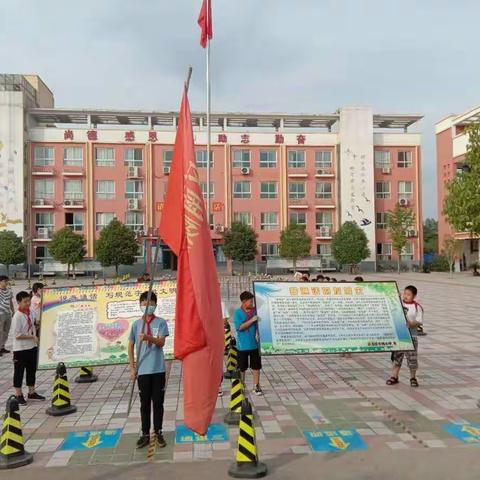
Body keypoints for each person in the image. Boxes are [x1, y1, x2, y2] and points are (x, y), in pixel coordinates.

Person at [128, 291, 169, 449]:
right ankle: (145, 434)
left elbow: (161, 343)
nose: (147, 306)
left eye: (150, 303)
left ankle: (158, 432)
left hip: (158, 369)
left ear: (155, 305)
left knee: (158, 403)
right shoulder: (136, 325)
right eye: (144, 303)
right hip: (143, 370)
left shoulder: (161, 323)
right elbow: (131, 346)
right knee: (144, 403)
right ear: (140, 305)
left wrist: (148, 338)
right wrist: (132, 368)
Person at [12, 291, 45, 405]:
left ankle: (31, 392)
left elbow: (35, 324)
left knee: (31, 370)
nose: (27, 303)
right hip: (20, 350)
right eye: (25, 302)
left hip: (32, 347)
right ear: (18, 302)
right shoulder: (17, 316)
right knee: (19, 372)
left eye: (28, 301)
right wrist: (32, 336)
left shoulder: (30, 313)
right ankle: (18, 395)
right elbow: (17, 335)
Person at [387, 285, 423, 388]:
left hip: (412, 336)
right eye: (405, 293)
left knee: (412, 358)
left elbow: (419, 321)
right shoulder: (399, 303)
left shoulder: (417, 307)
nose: (406, 296)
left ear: (414, 296)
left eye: (408, 294)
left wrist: (411, 324)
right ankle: (394, 376)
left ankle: (413, 378)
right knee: (397, 357)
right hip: (399, 336)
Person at [233, 291, 263, 396]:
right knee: (242, 368)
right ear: (244, 302)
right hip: (242, 346)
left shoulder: (256, 311)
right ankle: (241, 387)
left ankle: (256, 386)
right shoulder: (237, 313)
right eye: (250, 301)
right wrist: (252, 320)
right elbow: (239, 327)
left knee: (256, 367)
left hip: (255, 345)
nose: (252, 303)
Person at [0, 275, 14, 356]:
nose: (6, 282)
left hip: (8, 313)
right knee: (0, 331)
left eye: (7, 281)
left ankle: (2, 347)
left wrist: (13, 311)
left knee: (6, 331)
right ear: (0, 281)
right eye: (5, 281)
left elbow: (11, 301)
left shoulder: (9, 290)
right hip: (0, 314)